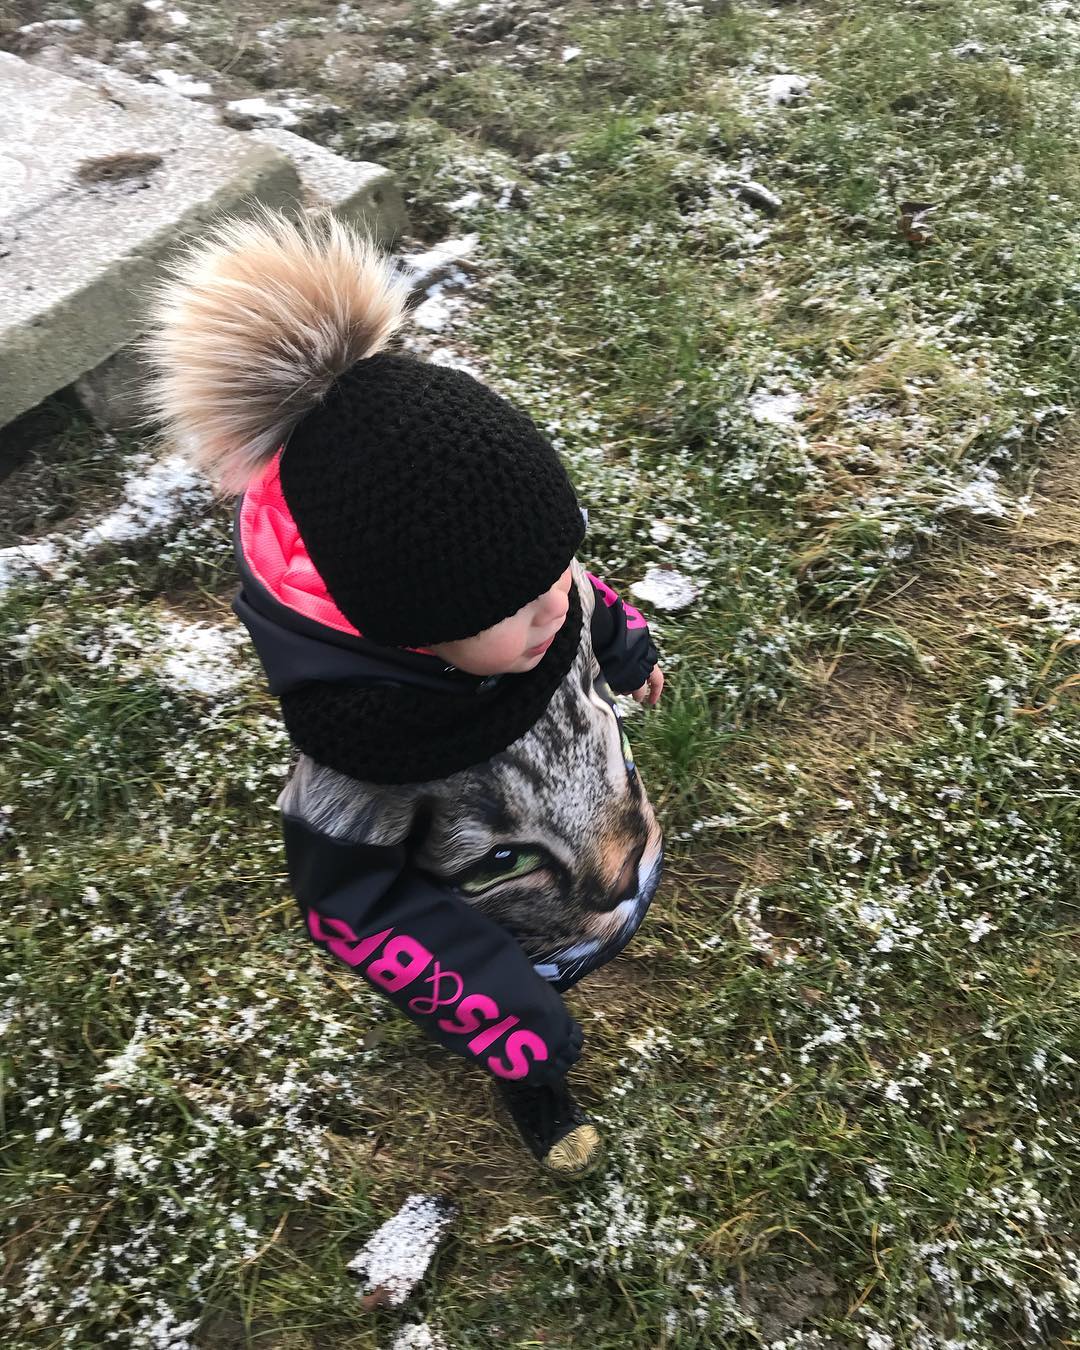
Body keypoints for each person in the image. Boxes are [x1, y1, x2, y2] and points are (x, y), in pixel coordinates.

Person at [143, 209, 665, 1179]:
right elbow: (357, 904)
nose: (555, 605)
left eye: (556, 568)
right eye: (517, 604)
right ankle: (536, 1086)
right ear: (411, 630)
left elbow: (582, 597)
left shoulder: (535, 601)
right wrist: (497, 1008)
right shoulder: (367, 760)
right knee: (536, 1034)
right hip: (506, 951)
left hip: (606, 839)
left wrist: (624, 648)